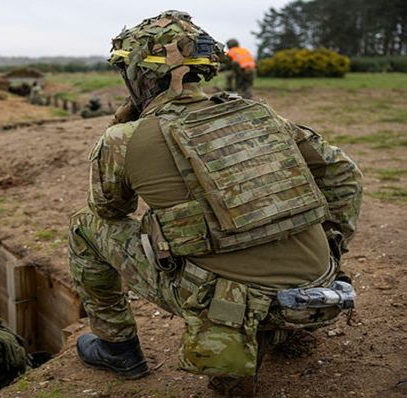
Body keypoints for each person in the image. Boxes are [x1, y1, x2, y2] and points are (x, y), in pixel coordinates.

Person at [68, 10, 362, 397]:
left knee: (83, 227)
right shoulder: (261, 115)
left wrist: (121, 134)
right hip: (322, 290)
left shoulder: (124, 138)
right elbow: (343, 174)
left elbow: (109, 211)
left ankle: (117, 348)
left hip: (230, 303)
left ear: (140, 74)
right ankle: (284, 334)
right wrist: (332, 248)